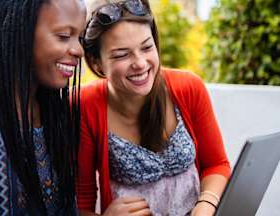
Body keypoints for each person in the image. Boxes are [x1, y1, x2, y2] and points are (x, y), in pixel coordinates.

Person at [77, 0, 231, 215]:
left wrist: (206, 204)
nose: (140, 63)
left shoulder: (189, 87)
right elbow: (81, 202)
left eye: (147, 47)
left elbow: (217, 164)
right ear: (96, 64)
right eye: (122, 54)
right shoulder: (85, 105)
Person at [0, 0, 86, 215]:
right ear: (19, 30)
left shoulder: (53, 108)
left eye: (80, 37)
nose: (78, 50)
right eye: (63, 36)